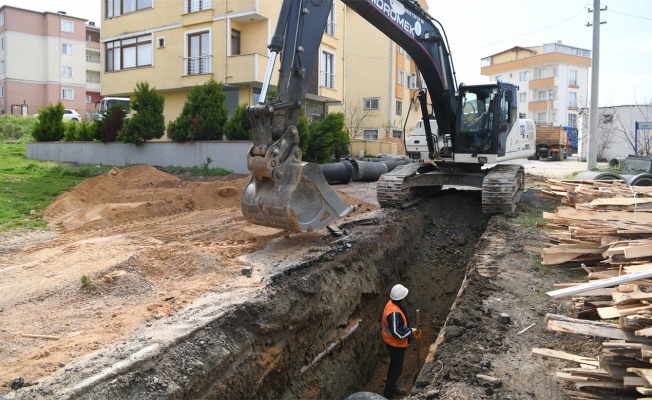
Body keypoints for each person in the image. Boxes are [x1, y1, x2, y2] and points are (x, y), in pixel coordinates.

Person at [381, 284, 420, 399]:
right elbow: (397, 333)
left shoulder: (393, 304)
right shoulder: (393, 313)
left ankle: (392, 387)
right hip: (394, 345)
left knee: (395, 367)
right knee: (396, 369)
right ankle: (388, 394)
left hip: (395, 344)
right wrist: (411, 331)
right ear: (401, 298)